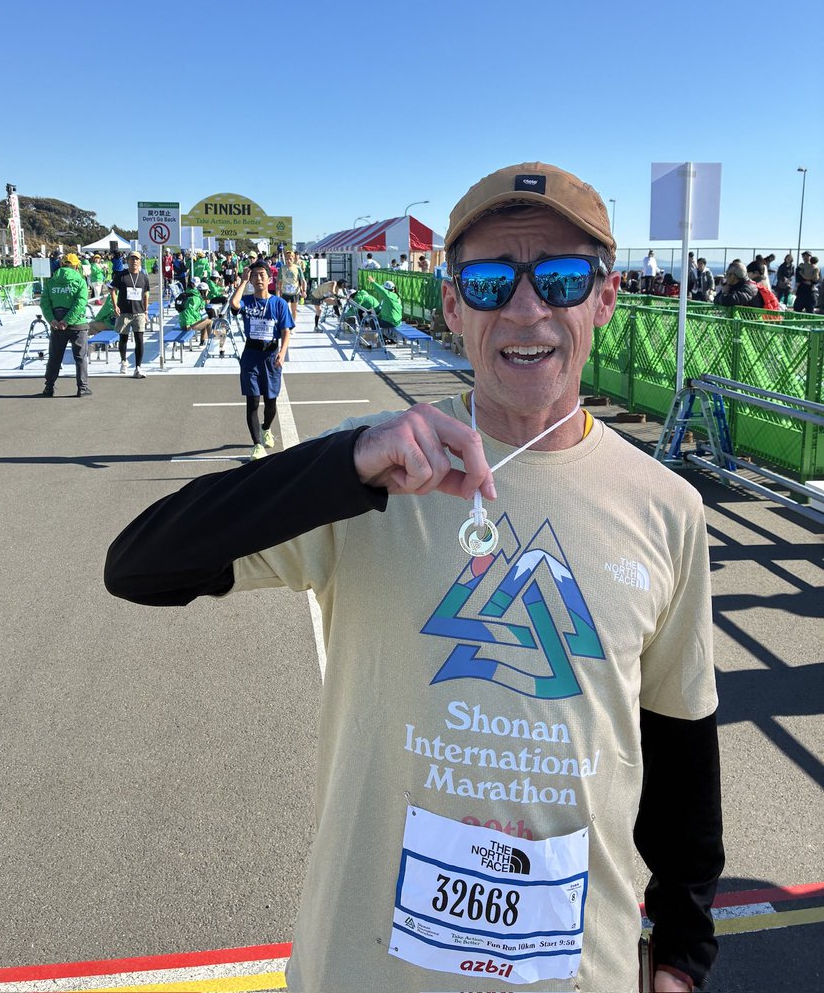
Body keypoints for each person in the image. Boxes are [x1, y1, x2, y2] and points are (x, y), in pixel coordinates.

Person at [106, 161, 723, 993]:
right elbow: (141, 564)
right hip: (364, 969)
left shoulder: (667, 509)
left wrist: (683, 949)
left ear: (605, 300)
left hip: (577, 974)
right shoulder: (377, 469)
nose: (527, 308)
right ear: (451, 306)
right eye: (491, 281)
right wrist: (345, 463)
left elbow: (683, 750)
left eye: (563, 278)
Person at [230, 261, 293, 460]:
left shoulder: (279, 303)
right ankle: (257, 445)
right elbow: (233, 305)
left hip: (271, 356)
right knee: (253, 401)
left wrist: (282, 353)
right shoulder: (247, 301)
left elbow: (286, 331)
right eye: (255, 275)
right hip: (251, 355)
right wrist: (243, 281)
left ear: (269, 279)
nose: (258, 279)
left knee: (271, 402)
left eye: (262, 275)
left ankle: (266, 428)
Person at [38, 253, 91, 397]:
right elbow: (80, 303)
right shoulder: (80, 281)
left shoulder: (51, 281)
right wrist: (67, 320)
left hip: (57, 324)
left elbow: (44, 303)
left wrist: (52, 320)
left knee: (55, 357)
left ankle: (49, 387)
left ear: (62, 264)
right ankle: (82, 388)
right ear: (76, 265)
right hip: (77, 325)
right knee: (80, 358)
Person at [111, 252, 151, 378]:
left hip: (139, 312)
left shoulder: (143, 277)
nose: (134, 261)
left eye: (137, 259)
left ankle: (138, 367)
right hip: (124, 312)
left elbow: (146, 295)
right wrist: (115, 305)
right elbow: (112, 290)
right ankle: (123, 361)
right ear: (127, 261)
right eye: (132, 259)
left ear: (140, 261)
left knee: (140, 340)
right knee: (123, 339)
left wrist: (146, 311)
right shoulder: (121, 275)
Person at [277, 250, 306, 317]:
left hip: (295, 292)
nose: (288, 260)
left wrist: (304, 291)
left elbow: (303, 280)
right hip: (285, 292)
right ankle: (286, 323)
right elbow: (279, 282)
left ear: (293, 259)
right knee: (284, 310)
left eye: (290, 259)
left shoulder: (297, 268)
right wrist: (278, 293)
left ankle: (293, 323)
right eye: (287, 259)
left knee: (294, 310)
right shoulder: (282, 268)